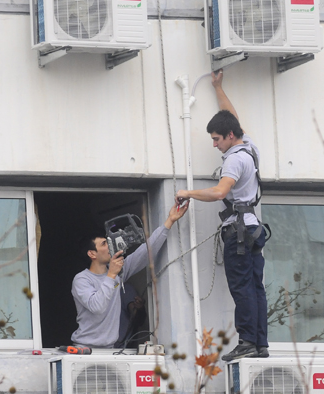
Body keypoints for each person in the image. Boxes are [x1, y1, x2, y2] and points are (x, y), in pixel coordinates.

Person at [176, 71, 268, 362]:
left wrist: (188, 193)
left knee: (241, 289)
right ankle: (260, 343)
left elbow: (219, 193)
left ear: (229, 137)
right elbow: (232, 115)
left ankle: (247, 342)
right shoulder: (248, 147)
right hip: (253, 228)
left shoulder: (234, 160)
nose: (214, 144)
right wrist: (218, 87)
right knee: (255, 287)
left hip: (238, 233)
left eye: (216, 139)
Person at [71, 203, 187, 349]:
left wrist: (169, 221)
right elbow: (97, 306)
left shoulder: (116, 272)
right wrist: (112, 274)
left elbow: (145, 253)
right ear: (92, 254)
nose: (110, 245)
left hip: (111, 348)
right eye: (104, 244)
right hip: (85, 349)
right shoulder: (82, 279)